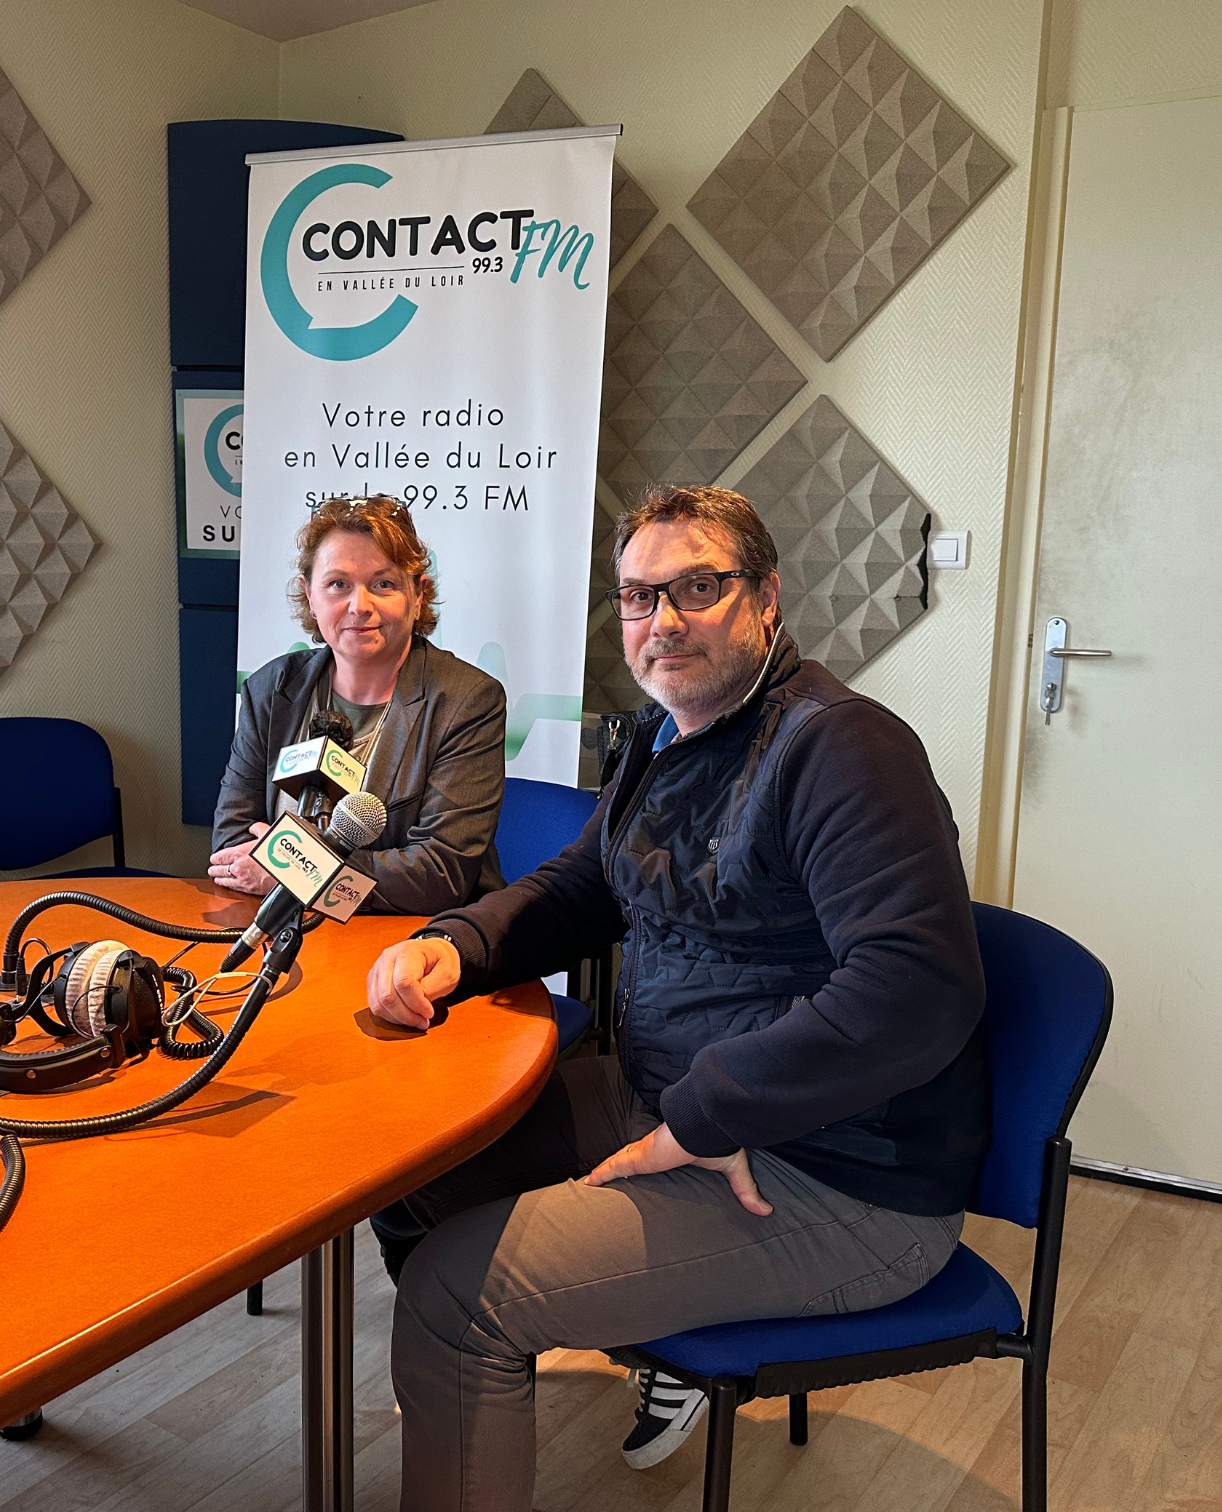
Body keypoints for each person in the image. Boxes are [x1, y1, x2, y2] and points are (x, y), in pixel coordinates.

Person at [363, 485, 988, 1511]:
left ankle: (486, 1357)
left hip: (834, 1172)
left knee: (457, 1300)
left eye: (698, 588)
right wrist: (455, 944)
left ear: (766, 599)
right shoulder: (666, 735)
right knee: (406, 1172)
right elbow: (587, 885)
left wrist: (712, 1113)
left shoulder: (842, 747)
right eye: (639, 596)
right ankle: (492, 1403)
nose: (663, 620)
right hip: (673, 1103)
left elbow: (917, 989)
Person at [210, 494, 506, 913]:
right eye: (338, 584)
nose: (359, 606)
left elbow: (439, 875)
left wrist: (293, 874)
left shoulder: (467, 701)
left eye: (384, 584)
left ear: (418, 595)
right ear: (310, 596)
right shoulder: (271, 689)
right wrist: (302, 875)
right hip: (279, 926)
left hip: (410, 938)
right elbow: (231, 843)